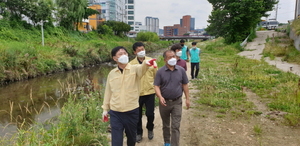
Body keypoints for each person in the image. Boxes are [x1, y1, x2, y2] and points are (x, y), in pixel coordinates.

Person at [102, 46, 156, 146]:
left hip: (131, 111)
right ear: (115, 58)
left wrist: (147, 64)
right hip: (115, 112)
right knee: (116, 142)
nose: (124, 55)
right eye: (120, 54)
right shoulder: (112, 74)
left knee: (131, 139)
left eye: (125, 53)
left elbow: (142, 68)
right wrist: (105, 109)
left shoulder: (134, 69)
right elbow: (108, 92)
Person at [154, 50, 190, 146]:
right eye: (170, 57)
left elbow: (185, 85)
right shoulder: (160, 72)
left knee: (175, 126)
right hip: (164, 102)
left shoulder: (181, 70)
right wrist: (160, 96)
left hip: (177, 102)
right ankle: (167, 142)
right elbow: (156, 86)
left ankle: (175, 144)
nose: (173, 58)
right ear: (165, 59)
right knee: (166, 125)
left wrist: (187, 98)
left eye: (174, 56)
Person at [129, 42, 157, 143]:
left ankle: (150, 129)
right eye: (139, 50)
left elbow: (156, 76)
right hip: (137, 94)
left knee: (150, 114)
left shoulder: (151, 61)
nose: (142, 51)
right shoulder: (131, 64)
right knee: (137, 115)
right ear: (134, 52)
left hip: (150, 92)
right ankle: (139, 132)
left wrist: (157, 89)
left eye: (143, 49)